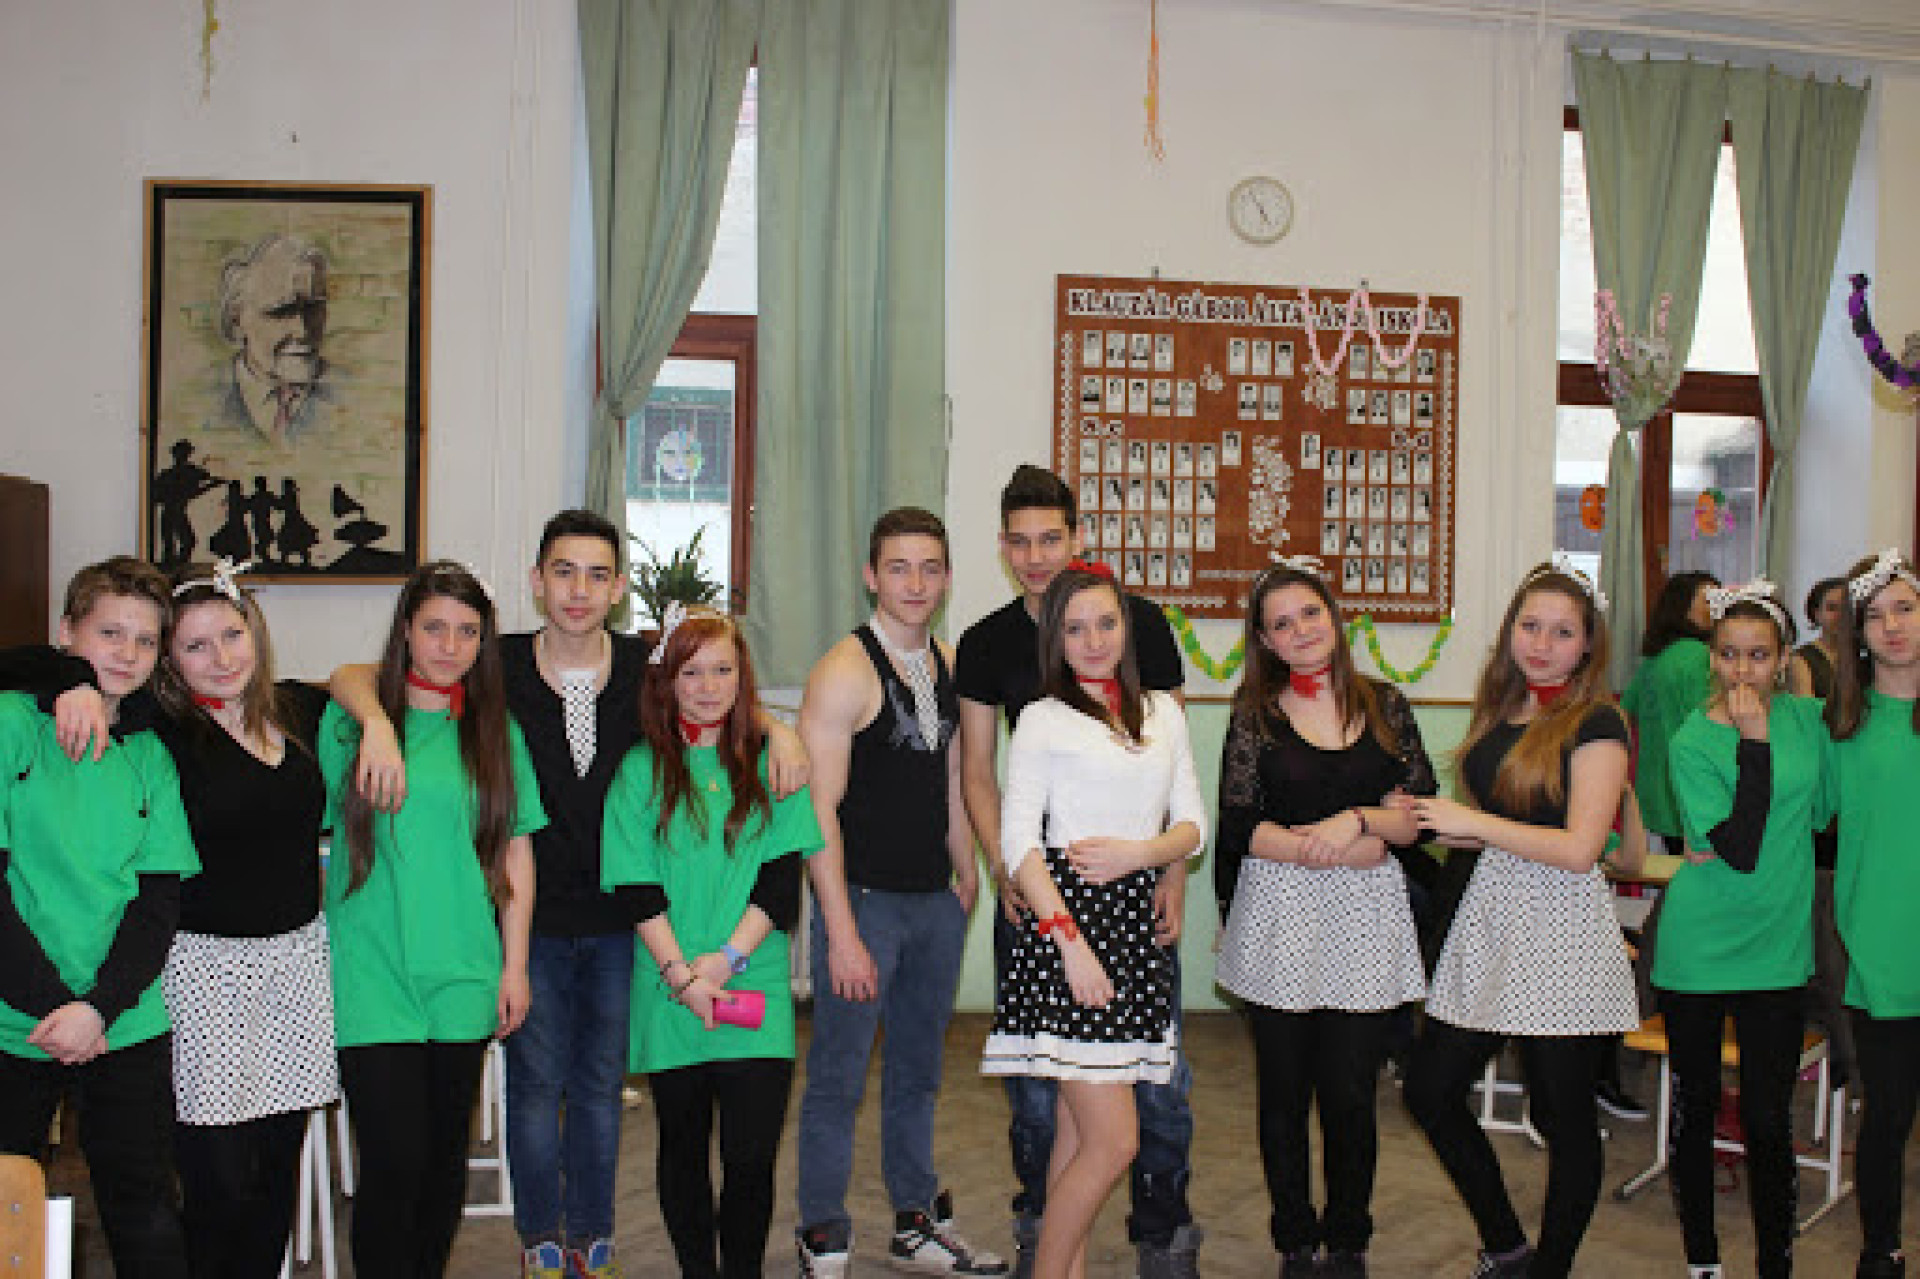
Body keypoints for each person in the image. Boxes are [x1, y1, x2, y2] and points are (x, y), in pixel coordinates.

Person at [334, 510, 808, 1279]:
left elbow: (712, 688)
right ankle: (540, 1240)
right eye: (563, 571)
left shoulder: (644, 664)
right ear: (537, 581)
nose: (579, 590)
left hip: (624, 918)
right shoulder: (496, 662)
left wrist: (777, 731)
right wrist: (375, 721)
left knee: (596, 1089)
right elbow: (360, 674)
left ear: (618, 588)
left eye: (597, 574)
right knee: (533, 1087)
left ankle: (592, 1235)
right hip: (528, 919)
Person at [5, 557, 341, 1278]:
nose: (221, 657)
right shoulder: (160, 728)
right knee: (214, 1180)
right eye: (194, 644)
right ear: (172, 663)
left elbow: (362, 675)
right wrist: (69, 677)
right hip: (194, 971)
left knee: (263, 1174)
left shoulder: (293, 712)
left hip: (287, 970)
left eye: (232, 635)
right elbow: (22, 664)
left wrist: (372, 720)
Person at [955, 465, 1200, 1278]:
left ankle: (1149, 1239)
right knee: (1090, 1128)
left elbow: (1179, 800)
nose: (1035, 555)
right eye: (1020, 541)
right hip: (1057, 910)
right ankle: (1047, 1254)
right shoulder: (1023, 689)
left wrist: (1162, 868)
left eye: (1050, 538)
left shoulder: (1150, 663)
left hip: (1133, 912)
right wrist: (1020, 881)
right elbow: (986, 783)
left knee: (1122, 1112)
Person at [1399, 556, 1640, 1279]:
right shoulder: (1503, 709)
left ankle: (1549, 1268)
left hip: (1561, 927)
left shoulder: (1597, 721)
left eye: (1562, 632)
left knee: (1564, 1116)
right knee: (1430, 1089)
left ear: (1587, 645)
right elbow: (1500, 826)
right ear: (1510, 631)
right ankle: (1507, 1245)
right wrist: (1421, 820)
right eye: (1530, 626)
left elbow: (1579, 848)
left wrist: (1471, 822)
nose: (1542, 643)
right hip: (1493, 916)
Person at [318, 560, 543, 1279]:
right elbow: (342, 677)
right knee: (393, 1160)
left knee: (444, 1161)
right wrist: (378, 722)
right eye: (434, 627)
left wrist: (514, 966)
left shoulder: (495, 732)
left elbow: (515, 854)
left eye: (467, 631)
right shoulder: (351, 724)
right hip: (373, 974)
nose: (450, 645)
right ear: (406, 632)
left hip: (464, 970)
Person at [794, 507, 1004, 1277]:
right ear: (870, 575)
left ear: (946, 576)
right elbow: (818, 811)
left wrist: (967, 866)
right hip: (864, 902)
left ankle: (916, 1223)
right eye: (899, 567)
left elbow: (951, 776)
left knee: (918, 1074)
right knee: (838, 1079)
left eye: (930, 567)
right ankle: (821, 1231)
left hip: (932, 902)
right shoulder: (843, 672)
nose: (915, 583)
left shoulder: (947, 662)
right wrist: (842, 930)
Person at [1213, 558, 1435, 1279]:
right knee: (1283, 1095)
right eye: (1281, 623)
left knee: (1350, 1094)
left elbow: (1418, 815)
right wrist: (1329, 850)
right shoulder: (1254, 713)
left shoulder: (1387, 704)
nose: (1301, 630)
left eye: (1310, 613)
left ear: (1333, 618)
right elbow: (1239, 823)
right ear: (1266, 641)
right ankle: (1294, 1239)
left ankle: (1347, 1239)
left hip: (1366, 920)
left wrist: (1358, 822)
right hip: (1280, 914)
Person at [602, 608, 824, 1278]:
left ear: (742, 676)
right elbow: (636, 887)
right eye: (691, 672)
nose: (707, 686)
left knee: (751, 1159)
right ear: (667, 681)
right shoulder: (639, 770)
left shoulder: (773, 765)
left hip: (751, 985)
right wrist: (684, 976)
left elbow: (780, 887)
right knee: (682, 1151)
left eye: (722, 669)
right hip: (670, 989)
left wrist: (724, 963)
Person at [0, 557, 199, 1277]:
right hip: (14, 1017)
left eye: (145, 640)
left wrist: (97, 1009)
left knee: (145, 1211)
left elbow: (157, 904)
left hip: (124, 1020)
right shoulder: (12, 723)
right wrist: (54, 1004)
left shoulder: (151, 756)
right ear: (66, 632)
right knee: (5, 1208)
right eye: (109, 632)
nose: (127, 653)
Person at [1656, 579, 1828, 1279]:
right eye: (1728, 654)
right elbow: (1741, 846)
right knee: (1696, 1109)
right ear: (1712, 659)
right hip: (1699, 946)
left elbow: (1826, 812)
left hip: (1777, 947)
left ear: (1783, 659)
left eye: (1759, 654)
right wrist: (1754, 742)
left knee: (1767, 1118)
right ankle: (1703, 1259)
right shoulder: (1693, 739)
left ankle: (1775, 1262)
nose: (1742, 670)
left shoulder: (1809, 721)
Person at [1826, 549, 1920, 1279]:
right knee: (1887, 1117)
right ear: (1857, 634)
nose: (1892, 626)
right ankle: (1880, 1251)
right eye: (1876, 615)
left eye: (1906, 608)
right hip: (1884, 953)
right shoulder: (1838, 731)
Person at [1611, 567, 1719, 1121]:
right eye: (1707, 599)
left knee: (1655, 914)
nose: (1715, 606)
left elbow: (1625, 711)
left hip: (1651, 799)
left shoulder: (1652, 662)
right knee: (1681, 923)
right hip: (1689, 804)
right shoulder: (1699, 659)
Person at [213, 233, 336, 446]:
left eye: (313, 308)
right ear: (237, 320)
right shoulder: (195, 397)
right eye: (281, 312)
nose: (302, 331)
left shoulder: (358, 395)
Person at [1788, 576, 1847, 699]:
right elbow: (1805, 707)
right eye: (1832, 608)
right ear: (1817, 614)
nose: (1840, 615)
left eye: (1846, 608)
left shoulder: (1863, 655)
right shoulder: (1801, 659)